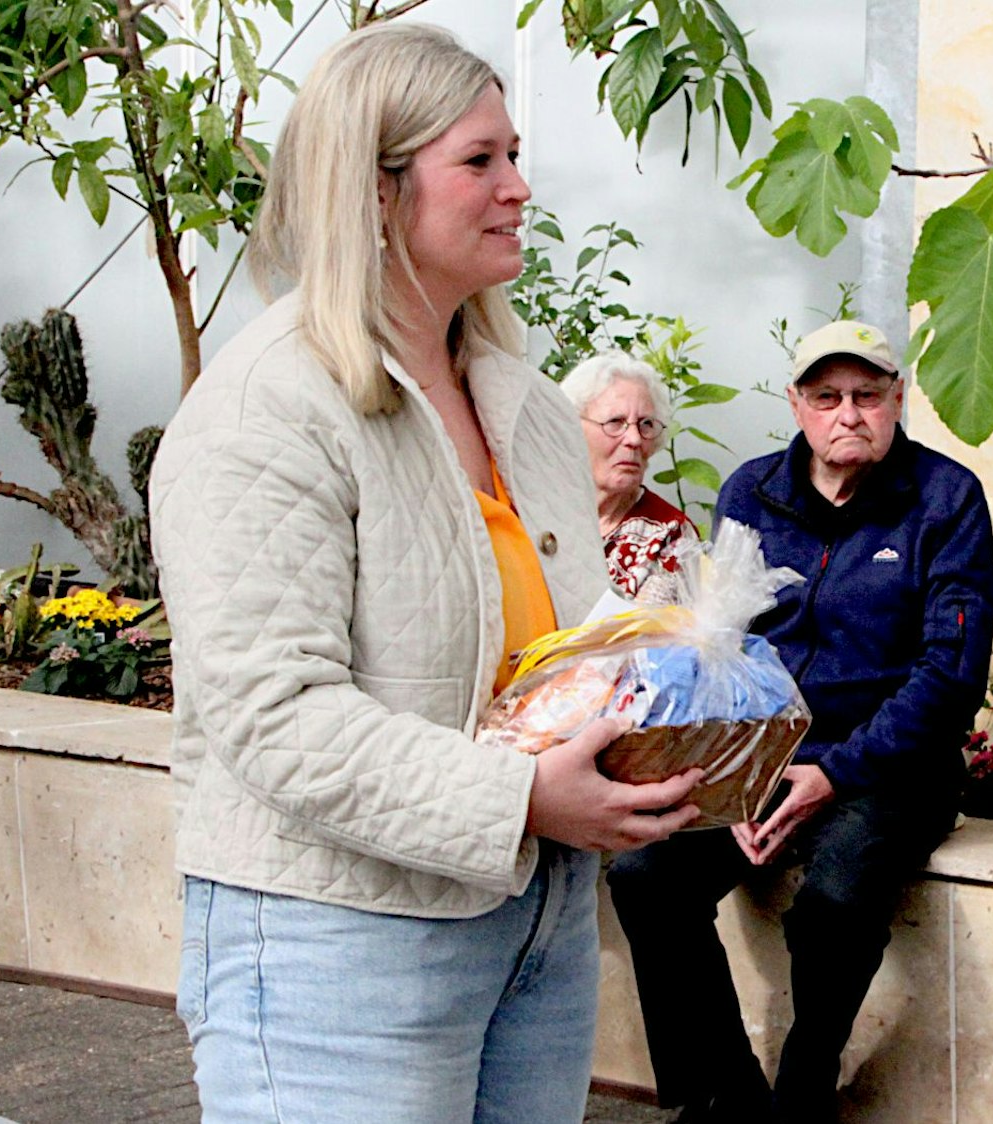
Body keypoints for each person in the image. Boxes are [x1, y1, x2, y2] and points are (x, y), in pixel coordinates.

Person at [148, 23, 700, 1123]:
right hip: (334, 940)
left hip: (534, 921)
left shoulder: (528, 406)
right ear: (377, 190)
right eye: (480, 161)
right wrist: (521, 795)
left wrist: (686, 707)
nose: (519, 187)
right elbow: (273, 713)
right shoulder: (266, 409)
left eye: (514, 155)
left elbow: (560, 651)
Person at [606, 320, 993, 1123]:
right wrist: (739, 772)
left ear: (895, 400)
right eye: (826, 397)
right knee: (644, 875)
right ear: (797, 405)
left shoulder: (946, 498)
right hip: (762, 750)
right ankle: (725, 1095)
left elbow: (951, 676)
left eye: (865, 395)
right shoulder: (753, 489)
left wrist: (836, 771)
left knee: (833, 901)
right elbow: (729, 640)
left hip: (890, 765)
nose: (847, 413)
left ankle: (802, 1091)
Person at [561, 350, 696, 601]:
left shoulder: (670, 535)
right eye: (615, 422)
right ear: (572, 427)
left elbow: (655, 632)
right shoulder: (536, 510)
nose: (634, 439)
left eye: (646, 424)